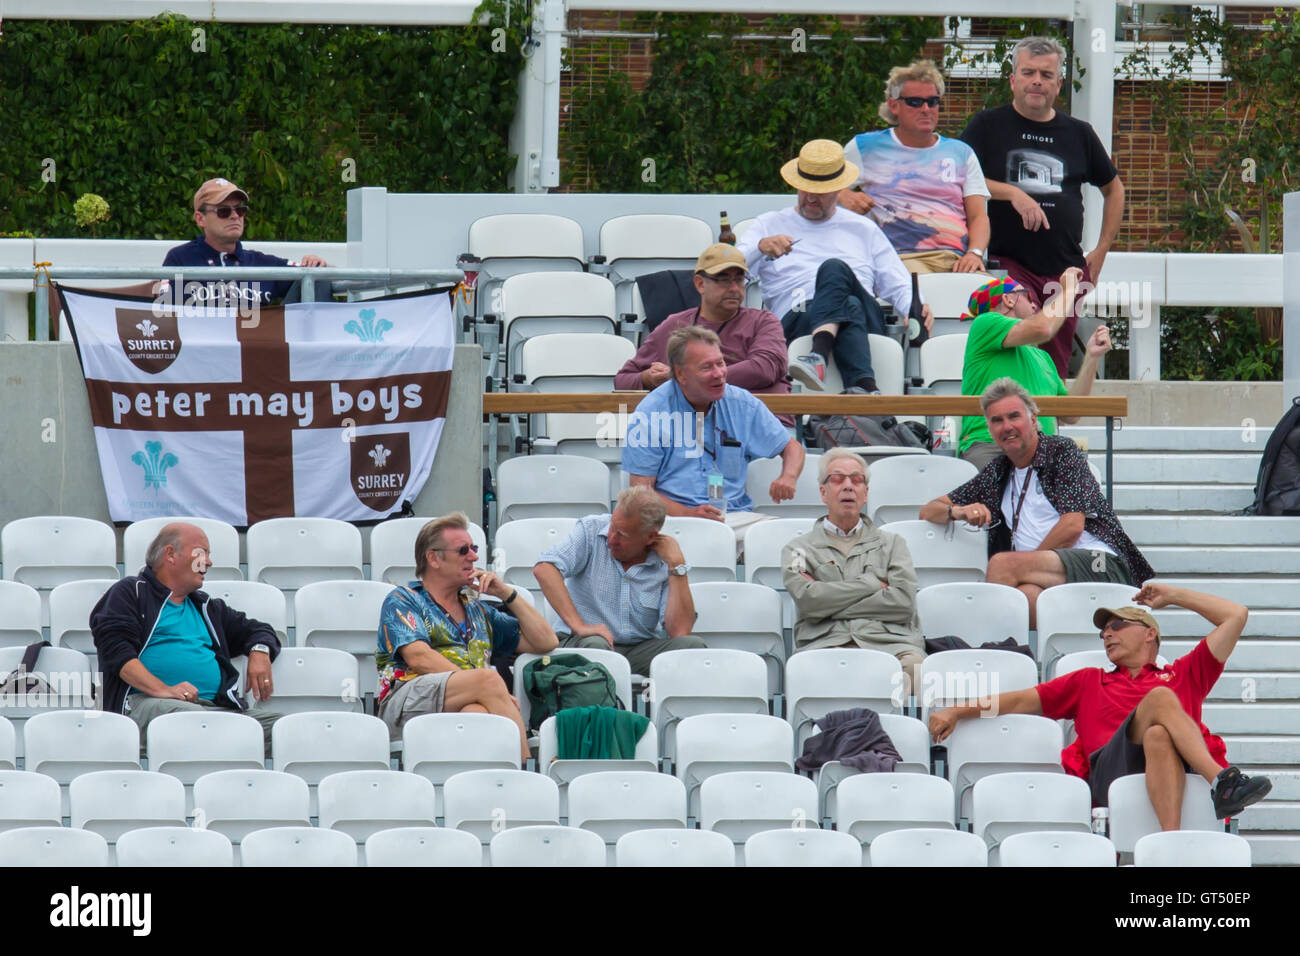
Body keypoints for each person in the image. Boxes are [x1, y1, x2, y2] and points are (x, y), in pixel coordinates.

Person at [930, 583, 1273, 824]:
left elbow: (1236, 615)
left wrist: (1173, 596)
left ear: (1150, 633)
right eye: (1103, 632)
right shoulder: (1089, 680)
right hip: (1110, 772)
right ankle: (1224, 783)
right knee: (1160, 699)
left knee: (1158, 734)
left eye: (1117, 626)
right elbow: (1020, 699)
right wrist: (958, 710)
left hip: (1173, 766)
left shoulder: (1184, 673)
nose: (1107, 634)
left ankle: (1169, 843)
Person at [918, 378, 1153, 627]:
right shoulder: (998, 471)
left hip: (1102, 563)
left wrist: (1021, 564)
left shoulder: (1061, 451)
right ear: (989, 429)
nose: (1007, 426)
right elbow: (928, 510)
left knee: (1002, 564)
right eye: (997, 420)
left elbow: (1072, 526)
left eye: (1014, 416)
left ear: (1032, 419)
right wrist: (958, 511)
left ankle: (985, 645)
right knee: (1028, 596)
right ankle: (1036, 661)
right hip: (1046, 572)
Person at [960, 36, 1125, 377]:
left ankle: (1051, 430)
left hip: (1064, 270)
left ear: (1059, 83)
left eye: (1046, 75)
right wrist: (1012, 193)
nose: (1037, 80)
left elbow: (1114, 189)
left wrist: (1103, 249)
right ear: (1013, 80)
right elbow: (959, 179)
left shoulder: (1079, 133)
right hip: (1008, 265)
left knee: (1051, 369)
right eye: (1029, 72)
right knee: (1017, 356)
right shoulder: (987, 126)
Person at [736, 139, 932, 393]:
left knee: (834, 270)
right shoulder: (768, 224)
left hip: (863, 313)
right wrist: (760, 247)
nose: (810, 198)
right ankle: (864, 386)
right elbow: (729, 268)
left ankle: (818, 356)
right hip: (798, 316)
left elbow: (899, 283)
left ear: (839, 189)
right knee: (847, 303)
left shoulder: (863, 228)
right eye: (804, 189)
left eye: (820, 191)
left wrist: (917, 307)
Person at [374, 512, 557, 759]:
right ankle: (528, 769)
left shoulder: (478, 609)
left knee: (476, 714)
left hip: (460, 702)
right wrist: (485, 686)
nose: (474, 556)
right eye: (463, 550)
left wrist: (506, 593)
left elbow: (546, 641)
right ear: (433, 559)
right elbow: (419, 657)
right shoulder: (404, 599)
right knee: (489, 681)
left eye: (474, 548)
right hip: (406, 701)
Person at [90, 522, 282, 749]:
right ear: (171, 554)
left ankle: (225, 748)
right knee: (191, 719)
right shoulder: (130, 592)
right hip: (145, 704)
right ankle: (230, 748)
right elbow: (116, 652)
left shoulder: (207, 607)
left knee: (290, 729)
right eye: (201, 553)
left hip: (213, 710)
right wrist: (162, 689)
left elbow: (259, 630)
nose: (209, 562)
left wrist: (260, 651)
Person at [621, 325, 805, 546]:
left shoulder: (741, 402)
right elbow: (641, 491)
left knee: (792, 542)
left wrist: (788, 477)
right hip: (673, 522)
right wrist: (688, 514)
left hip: (734, 518)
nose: (719, 373)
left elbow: (791, 447)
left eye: (721, 363)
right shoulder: (650, 412)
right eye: (707, 367)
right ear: (680, 373)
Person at [782, 449, 926, 699]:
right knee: (801, 672)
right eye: (837, 479)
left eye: (857, 480)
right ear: (823, 492)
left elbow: (902, 602)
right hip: (823, 645)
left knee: (919, 670)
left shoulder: (894, 544)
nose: (848, 486)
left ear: (866, 493)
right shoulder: (797, 549)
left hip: (890, 645)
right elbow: (809, 602)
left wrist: (829, 602)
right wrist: (871, 584)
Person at [533, 487, 706, 675]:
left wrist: (677, 566)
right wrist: (579, 626)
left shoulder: (666, 558)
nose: (611, 539)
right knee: (596, 645)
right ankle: (602, 704)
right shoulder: (591, 530)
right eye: (612, 527)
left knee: (692, 647)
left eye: (622, 535)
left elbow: (679, 631)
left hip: (640, 649)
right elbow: (544, 569)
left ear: (650, 537)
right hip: (583, 642)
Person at [841, 60, 991, 275]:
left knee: (1012, 301)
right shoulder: (865, 147)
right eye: (914, 102)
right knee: (933, 300)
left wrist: (975, 253)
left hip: (957, 260)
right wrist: (844, 195)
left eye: (932, 101)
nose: (925, 109)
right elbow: (819, 184)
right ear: (894, 106)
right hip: (898, 259)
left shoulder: (961, 153)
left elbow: (978, 216)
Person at [614, 243, 792, 424]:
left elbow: (764, 368)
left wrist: (686, 380)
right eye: (723, 280)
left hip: (763, 428)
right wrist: (649, 379)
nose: (734, 288)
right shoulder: (675, 325)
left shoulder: (763, 321)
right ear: (700, 284)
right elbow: (622, 380)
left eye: (739, 280)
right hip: (697, 432)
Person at [958, 267, 1111, 471]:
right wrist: (1068, 291)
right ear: (1008, 300)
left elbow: (1072, 414)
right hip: (991, 445)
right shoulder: (984, 324)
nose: (1034, 304)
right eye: (1028, 295)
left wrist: (1092, 356)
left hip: (1040, 452)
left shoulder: (1042, 357)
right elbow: (1044, 328)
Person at [161, 177, 330, 308]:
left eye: (240, 210)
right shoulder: (179, 259)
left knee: (317, 278)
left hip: (258, 350)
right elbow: (163, 314)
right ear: (200, 218)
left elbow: (329, 277)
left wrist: (317, 265)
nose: (235, 216)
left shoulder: (262, 263)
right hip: (202, 350)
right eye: (224, 211)